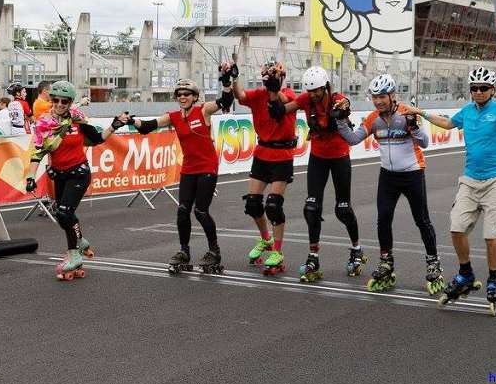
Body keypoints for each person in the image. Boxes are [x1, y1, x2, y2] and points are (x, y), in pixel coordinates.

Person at [406, 67, 496, 314]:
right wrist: (420, 112)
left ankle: (494, 280)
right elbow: (447, 123)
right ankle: (465, 274)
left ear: (493, 90)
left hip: (495, 181)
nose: (478, 92)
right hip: (470, 181)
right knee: (456, 227)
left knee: (491, 236)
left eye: (483, 88)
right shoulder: (467, 111)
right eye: (474, 88)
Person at [334, 74, 444, 295]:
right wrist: (340, 120)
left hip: (413, 173)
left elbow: (424, 143)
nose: (378, 101)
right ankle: (386, 261)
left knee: (421, 220)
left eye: (382, 96)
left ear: (392, 95)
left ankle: (433, 263)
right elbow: (354, 139)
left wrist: (414, 127)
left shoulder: (406, 113)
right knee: (383, 219)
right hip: (388, 176)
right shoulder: (373, 118)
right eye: (374, 97)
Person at [26, 81, 130, 280]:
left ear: (70, 102)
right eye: (54, 99)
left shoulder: (77, 118)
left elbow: (98, 138)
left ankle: (74, 255)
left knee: (65, 212)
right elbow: (38, 151)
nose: (59, 104)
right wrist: (31, 176)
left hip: (79, 172)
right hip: (59, 173)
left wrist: (115, 125)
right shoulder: (43, 122)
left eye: (64, 101)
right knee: (61, 215)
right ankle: (80, 241)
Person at [132, 76, 234, 274]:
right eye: (179, 94)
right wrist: (129, 120)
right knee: (182, 210)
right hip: (188, 168)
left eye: (186, 94)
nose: (182, 97)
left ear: (195, 96)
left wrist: (227, 82)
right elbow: (147, 126)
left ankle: (214, 250)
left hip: (207, 167)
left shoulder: (203, 110)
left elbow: (226, 101)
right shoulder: (173, 116)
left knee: (200, 211)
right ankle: (184, 251)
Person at [276, 66, 366, 282]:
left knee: (343, 209)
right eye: (310, 91)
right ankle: (313, 256)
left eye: (317, 90)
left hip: (339, 157)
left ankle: (357, 249)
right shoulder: (307, 100)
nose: (314, 94)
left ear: (325, 86)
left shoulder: (338, 98)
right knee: (311, 207)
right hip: (317, 158)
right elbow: (283, 109)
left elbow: (345, 105)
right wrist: (273, 89)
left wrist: (343, 110)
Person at [229, 60, 297, 275]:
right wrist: (233, 77)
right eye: (269, 78)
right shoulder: (258, 94)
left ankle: (277, 251)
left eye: (276, 78)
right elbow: (240, 96)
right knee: (253, 204)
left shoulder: (290, 95)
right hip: (262, 153)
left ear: (282, 78)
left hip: (282, 154)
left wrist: (275, 87)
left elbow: (282, 102)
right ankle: (266, 239)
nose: (271, 82)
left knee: (274, 205)